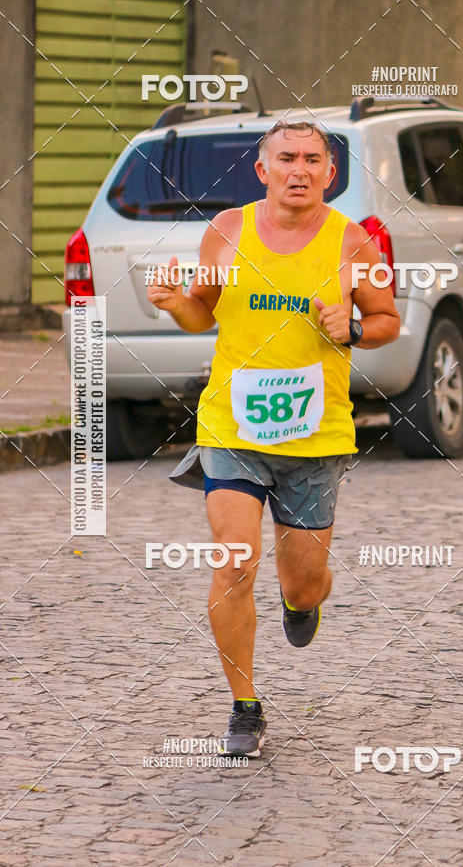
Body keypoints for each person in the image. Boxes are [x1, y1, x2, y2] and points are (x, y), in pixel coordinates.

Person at [147, 120, 400, 757]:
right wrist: (177, 304)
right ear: (263, 171)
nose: (299, 169)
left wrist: (355, 329)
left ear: (329, 173)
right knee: (234, 560)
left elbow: (388, 319)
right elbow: (201, 312)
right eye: (286, 157)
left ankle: (302, 602)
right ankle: (244, 706)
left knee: (301, 580)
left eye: (313, 159)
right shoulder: (228, 230)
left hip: (315, 436)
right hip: (232, 426)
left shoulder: (353, 243)